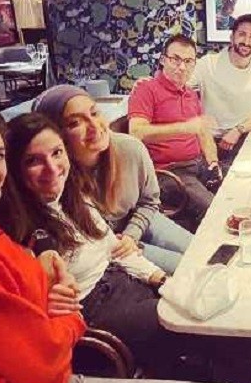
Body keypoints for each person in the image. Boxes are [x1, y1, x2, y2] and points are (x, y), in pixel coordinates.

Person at [0, 101, 251, 383]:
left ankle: (216, 372)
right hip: (85, 327)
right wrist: (66, 312)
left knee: (221, 296)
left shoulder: (42, 208)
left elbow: (111, 248)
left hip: (118, 286)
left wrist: (159, 278)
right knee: (216, 325)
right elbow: (41, 350)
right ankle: (220, 373)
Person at [34, 85, 191, 274]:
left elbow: (150, 200)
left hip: (140, 218)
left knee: (203, 253)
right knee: (187, 271)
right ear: (56, 136)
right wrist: (123, 245)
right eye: (75, 123)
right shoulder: (55, 177)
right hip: (106, 245)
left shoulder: (131, 149)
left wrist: (131, 235)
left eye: (94, 113)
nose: (94, 126)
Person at [129, 34, 222, 223]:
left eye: (188, 61)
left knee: (238, 187)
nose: (182, 67)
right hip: (169, 173)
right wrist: (185, 127)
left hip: (198, 165)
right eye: (175, 59)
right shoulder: (146, 89)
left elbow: (203, 133)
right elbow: (137, 132)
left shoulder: (190, 93)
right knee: (216, 213)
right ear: (163, 60)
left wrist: (213, 162)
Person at [190, 13, 251, 169]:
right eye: (242, 34)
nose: (246, 41)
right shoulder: (207, 64)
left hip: (245, 139)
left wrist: (238, 130)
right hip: (209, 142)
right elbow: (179, 84)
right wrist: (151, 84)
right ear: (231, 37)